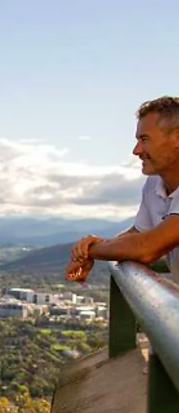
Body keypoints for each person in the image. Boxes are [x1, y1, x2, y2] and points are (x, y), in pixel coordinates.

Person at [67, 96, 179, 283]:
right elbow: (138, 234)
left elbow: (147, 247)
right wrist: (100, 244)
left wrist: (92, 251)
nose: (136, 150)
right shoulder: (154, 183)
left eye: (145, 139)